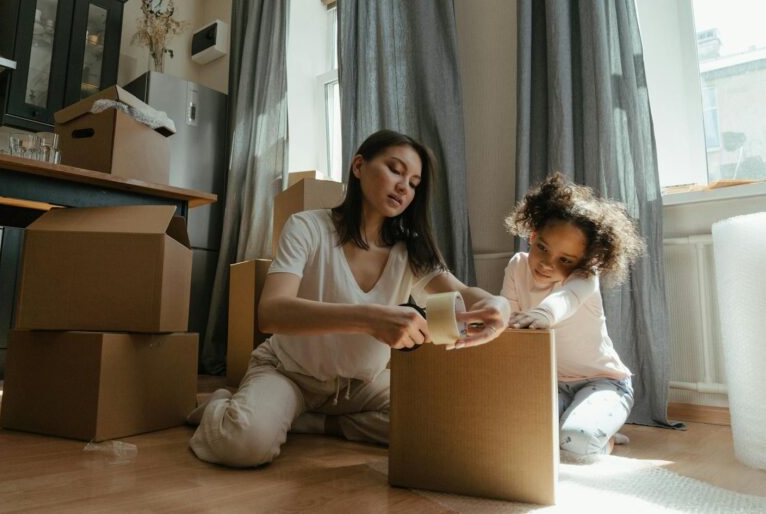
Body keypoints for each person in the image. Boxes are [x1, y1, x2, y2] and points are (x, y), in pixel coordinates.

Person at [187, 129, 511, 467]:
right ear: (358, 166)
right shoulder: (307, 227)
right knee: (243, 446)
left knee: (444, 424)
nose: (404, 186)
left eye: (414, 183)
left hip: (361, 386)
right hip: (289, 374)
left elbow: (462, 293)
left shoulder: (411, 249)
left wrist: (499, 304)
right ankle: (220, 405)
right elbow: (271, 312)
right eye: (395, 170)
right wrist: (372, 318)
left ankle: (314, 423)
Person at [501, 173, 646, 456]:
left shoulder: (584, 277)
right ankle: (581, 421)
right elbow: (508, 314)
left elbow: (566, 299)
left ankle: (603, 435)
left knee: (574, 442)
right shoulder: (517, 266)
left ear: (584, 261)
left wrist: (543, 314)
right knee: (520, 433)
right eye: (542, 247)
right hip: (550, 381)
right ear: (532, 235)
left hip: (603, 382)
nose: (546, 263)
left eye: (564, 260)